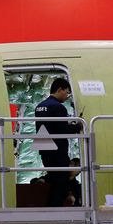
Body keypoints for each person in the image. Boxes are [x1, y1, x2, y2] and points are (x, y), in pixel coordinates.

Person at [35, 78, 82, 207]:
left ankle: (50, 209)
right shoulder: (58, 107)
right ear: (59, 89)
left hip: (45, 150)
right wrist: (78, 125)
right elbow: (63, 130)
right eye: (66, 92)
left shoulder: (40, 106)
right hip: (57, 151)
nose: (67, 96)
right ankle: (53, 210)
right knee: (60, 184)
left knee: (54, 181)